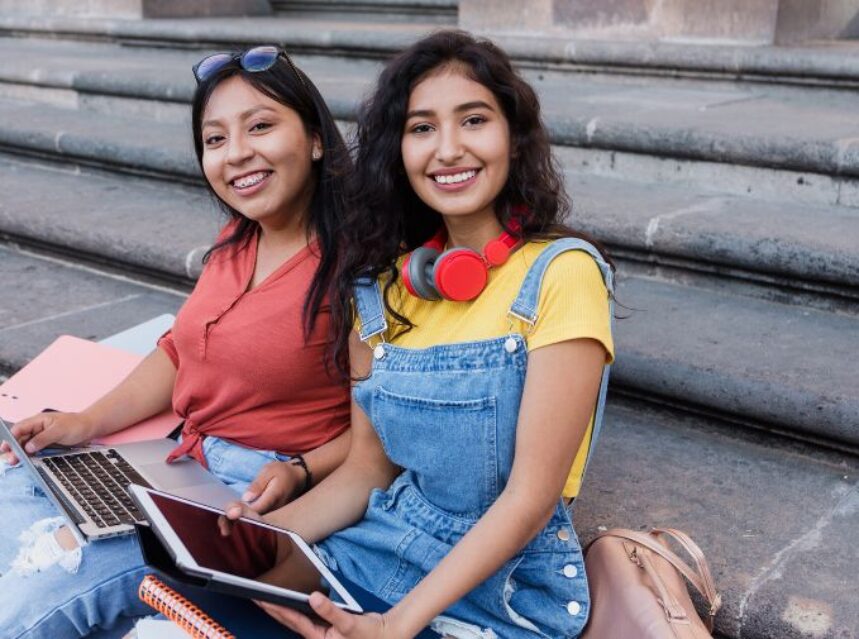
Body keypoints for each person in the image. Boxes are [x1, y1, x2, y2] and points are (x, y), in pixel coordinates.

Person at [231, 31, 616, 638]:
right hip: (377, 552)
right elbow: (366, 472)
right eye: (421, 128)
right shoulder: (381, 289)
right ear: (398, 152)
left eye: (473, 120)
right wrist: (258, 544)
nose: (448, 149)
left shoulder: (562, 275)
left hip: (497, 593)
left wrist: (398, 624)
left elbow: (530, 499)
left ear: (513, 140)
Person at [0, 46, 353, 638]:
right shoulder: (240, 236)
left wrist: (300, 467)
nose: (236, 153)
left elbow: (390, 434)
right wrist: (83, 423)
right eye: (215, 139)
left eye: (261, 126)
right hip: (178, 460)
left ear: (316, 138)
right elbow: (178, 349)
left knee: (48, 587)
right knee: (20, 496)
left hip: (251, 494)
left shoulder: (356, 266)